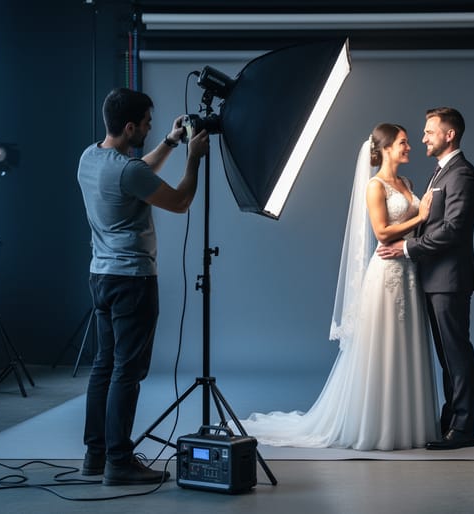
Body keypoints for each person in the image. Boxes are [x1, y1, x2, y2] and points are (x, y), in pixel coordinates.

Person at [234, 123, 439, 451]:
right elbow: (383, 232)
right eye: (403, 143)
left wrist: (424, 219)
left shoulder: (408, 183)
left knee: (407, 347)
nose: (409, 148)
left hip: (409, 273)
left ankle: (408, 426)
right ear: (385, 148)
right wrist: (421, 215)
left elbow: (411, 230)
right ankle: (379, 428)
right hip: (387, 274)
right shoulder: (375, 186)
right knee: (384, 350)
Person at [77, 87, 209, 484]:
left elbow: (137, 175)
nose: (152, 128)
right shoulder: (128, 170)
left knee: (104, 366)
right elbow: (181, 201)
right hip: (133, 280)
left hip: (101, 276)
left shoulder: (90, 157)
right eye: (149, 124)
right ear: (130, 126)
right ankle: (119, 461)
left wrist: (170, 142)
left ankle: (95, 456)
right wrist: (192, 158)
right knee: (127, 372)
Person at [377, 107, 474, 450]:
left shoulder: (462, 174)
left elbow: (452, 231)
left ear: (449, 135)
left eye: (429, 132)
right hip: (432, 278)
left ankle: (463, 429)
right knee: (446, 356)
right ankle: (450, 421)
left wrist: (408, 249)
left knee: (456, 353)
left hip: (449, 280)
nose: (423, 138)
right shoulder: (441, 173)